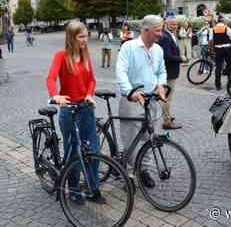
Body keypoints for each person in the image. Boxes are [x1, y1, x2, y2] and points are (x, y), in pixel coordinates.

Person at [46, 21, 105, 204]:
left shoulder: (85, 54)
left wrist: (89, 94)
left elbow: (92, 80)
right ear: (71, 38)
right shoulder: (61, 56)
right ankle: (73, 191)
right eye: (81, 37)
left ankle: (93, 188)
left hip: (86, 107)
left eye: (86, 36)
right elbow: (51, 78)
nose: (85, 40)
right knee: (73, 153)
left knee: (93, 150)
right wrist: (55, 96)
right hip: (68, 108)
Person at [116, 15, 167, 188]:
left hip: (152, 99)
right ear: (146, 30)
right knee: (131, 139)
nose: (161, 34)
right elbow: (121, 72)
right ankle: (129, 174)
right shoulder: (128, 47)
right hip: (132, 99)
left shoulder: (158, 50)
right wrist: (130, 91)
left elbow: (161, 71)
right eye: (158, 30)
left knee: (150, 138)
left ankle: (143, 170)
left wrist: (161, 85)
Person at [157, 16, 185, 130]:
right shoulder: (165, 37)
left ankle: (167, 116)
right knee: (167, 98)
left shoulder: (168, 35)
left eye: (176, 24)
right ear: (166, 24)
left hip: (170, 71)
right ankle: (167, 121)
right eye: (172, 24)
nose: (175, 26)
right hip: (169, 72)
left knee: (166, 97)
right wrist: (181, 59)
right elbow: (167, 57)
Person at [209, 15, 231, 90]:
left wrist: (211, 50)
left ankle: (218, 85)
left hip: (218, 49)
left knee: (218, 67)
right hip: (227, 49)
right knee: (229, 65)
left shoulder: (213, 29)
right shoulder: (226, 28)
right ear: (223, 21)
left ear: (217, 21)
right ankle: (230, 83)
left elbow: (211, 41)